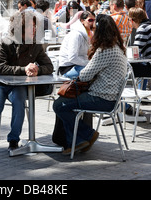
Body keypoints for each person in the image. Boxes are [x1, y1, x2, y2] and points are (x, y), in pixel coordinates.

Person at [0, 10, 54, 156]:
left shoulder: (35, 44)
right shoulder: (6, 42)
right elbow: (1, 67)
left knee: (19, 102)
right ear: (21, 27)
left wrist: (37, 69)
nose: (34, 29)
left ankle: (13, 141)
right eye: (31, 26)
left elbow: (49, 67)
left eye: (35, 26)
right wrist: (24, 69)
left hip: (19, 85)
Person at [53, 14, 127, 154]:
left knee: (59, 104)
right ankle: (75, 141)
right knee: (66, 102)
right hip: (111, 97)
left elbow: (84, 75)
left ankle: (85, 135)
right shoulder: (117, 47)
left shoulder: (104, 50)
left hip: (102, 98)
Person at [58, 11, 94, 79]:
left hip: (77, 65)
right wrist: (88, 64)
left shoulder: (87, 34)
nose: (93, 23)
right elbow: (72, 57)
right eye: (90, 20)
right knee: (94, 73)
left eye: (94, 20)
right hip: (68, 68)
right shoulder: (76, 35)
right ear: (82, 21)